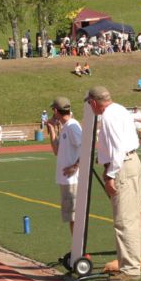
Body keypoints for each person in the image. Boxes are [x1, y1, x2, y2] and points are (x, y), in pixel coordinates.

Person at [85, 86, 141, 281]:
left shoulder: (108, 116)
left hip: (122, 166)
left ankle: (130, 268)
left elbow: (117, 148)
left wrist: (110, 174)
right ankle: (131, 263)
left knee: (124, 220)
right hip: (130, 162)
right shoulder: (120, 109)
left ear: (93, 103)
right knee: (131, 218)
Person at [46, 96, 82, 234]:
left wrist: (75, 167)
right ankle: (76, 250)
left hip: (73, 179)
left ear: (55, 110)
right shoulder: (66, 127)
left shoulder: (72, 127)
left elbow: (86, 148)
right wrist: (52, 130)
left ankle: (78, 251)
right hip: (66, 180)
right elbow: (56, 150)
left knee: (74, 217)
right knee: (71, 217)